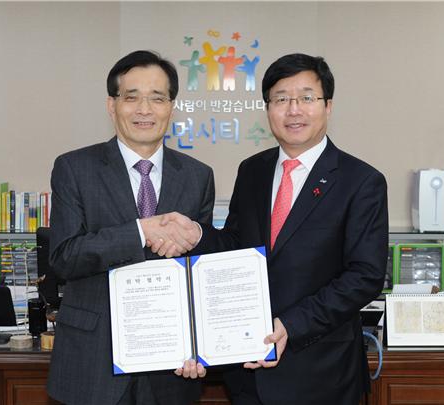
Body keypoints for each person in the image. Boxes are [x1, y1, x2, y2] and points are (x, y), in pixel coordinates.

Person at [160, 53, 389, 404]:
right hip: (248, 374)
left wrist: (291, 325)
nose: (293, 110)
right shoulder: (253, 170)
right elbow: (237, 244)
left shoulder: (361, 181)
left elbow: (365, 276)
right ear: (268, 109)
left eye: (306, 98)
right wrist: (198, 235)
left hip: (321, 374)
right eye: (281, 99)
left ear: (328, 106)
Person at [47, 50, 213, 405]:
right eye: (132, 97)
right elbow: (63, 257)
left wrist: (203, 342)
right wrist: (141, 231)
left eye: (157, 98)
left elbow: (199, 272)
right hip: (94, 361)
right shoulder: (74, 168)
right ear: (112, 105)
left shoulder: (198, 176)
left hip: (173, 366)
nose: (144, 109)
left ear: (172, 107)